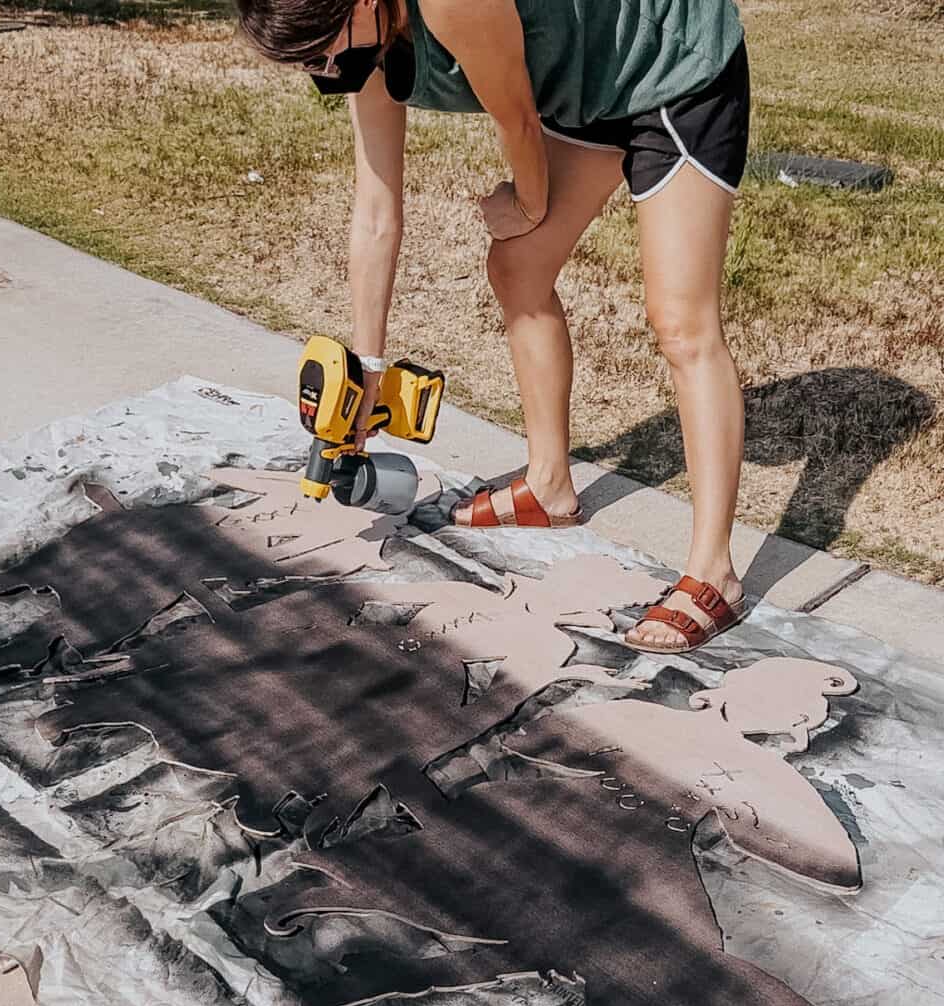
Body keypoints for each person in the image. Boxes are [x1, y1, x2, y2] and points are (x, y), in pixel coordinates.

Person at [235, 0, 752, 654]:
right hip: (591, 81)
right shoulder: (360, 45)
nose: (328, 71)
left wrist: (525, 201)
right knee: (518, 268)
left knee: (680, 321)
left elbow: (520, 124)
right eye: (309, 67)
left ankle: (715, 575)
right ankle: (549, 484)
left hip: (671, 65)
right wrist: (366, 371)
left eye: (324, 51)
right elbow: (375, 211)